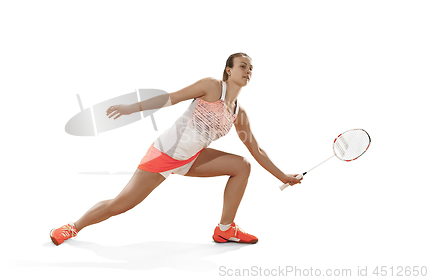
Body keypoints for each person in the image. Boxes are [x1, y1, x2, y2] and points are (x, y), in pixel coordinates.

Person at [50, 53, 302, 245]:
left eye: (251, 69)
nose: (248, 71)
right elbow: (169, 98)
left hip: (193, 158)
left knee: (242, 166)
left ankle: (225, 228)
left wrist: (283, 177)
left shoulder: (238, 112)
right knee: (122, 203)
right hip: (165, 154)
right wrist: (130, 108)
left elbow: (256, 149)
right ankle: (74, 226)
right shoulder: (213, 86)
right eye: (243, 66)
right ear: (229, 70)